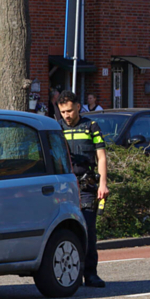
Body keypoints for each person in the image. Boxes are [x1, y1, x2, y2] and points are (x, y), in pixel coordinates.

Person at [57, 90, 109, 288]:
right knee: (67, 231)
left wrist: (103, 184)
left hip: (86, 186)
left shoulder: (90, 127)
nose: (67, 116)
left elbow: (101, 156)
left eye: (69, 111)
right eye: (63, 112)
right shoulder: (57, 128)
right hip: (64, 187)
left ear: (78, 107)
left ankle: (91, 274)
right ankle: (73, 275)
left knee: (88, 229)